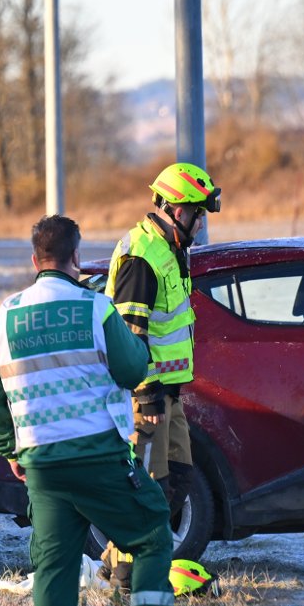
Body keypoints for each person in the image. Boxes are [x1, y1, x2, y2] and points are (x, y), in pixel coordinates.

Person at [0, 215, 176, 606]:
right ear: (77, 257)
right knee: (150, 531)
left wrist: (11, 449)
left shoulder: (4, 319)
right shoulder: (95, 308)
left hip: (42, 465)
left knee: (55, 563)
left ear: (34, 259)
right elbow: (130, 370)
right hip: (98, 454)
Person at [108, 162, 221, 524]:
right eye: (198, 214)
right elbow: (130, 336)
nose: (201, 224)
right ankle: (124, 571)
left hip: (169, 395)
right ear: (177, 210)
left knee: (179, 479)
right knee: (147, 488)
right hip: (148, 400)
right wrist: (146, 393)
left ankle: (141, 565)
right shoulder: (142, 257)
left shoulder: (170, 250)